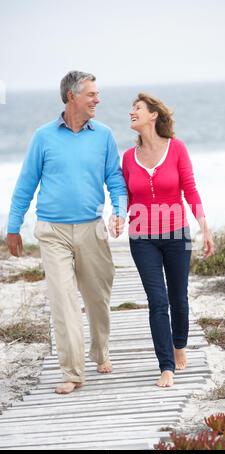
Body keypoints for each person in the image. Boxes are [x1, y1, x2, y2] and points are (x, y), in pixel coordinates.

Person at [6, 71, 127, 394]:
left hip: (92, 228)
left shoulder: (103, 135)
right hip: (51, 231)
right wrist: (13, 227)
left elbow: (115, 179)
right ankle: (73, 372)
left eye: (97, 94)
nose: (97, 100)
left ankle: (100, 351)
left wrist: (119, 209)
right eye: (91, 94)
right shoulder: (43, 137)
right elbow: (25, 185)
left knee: (97, 298)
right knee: (64, 302)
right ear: (72, 96)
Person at [122, 93, 214, 388]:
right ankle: (166, 366)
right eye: (132, 109)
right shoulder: (127, 157)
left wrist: (204, 226)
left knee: (178, 297)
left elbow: (190, 189)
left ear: (152, 115)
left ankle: (180, 344)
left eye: (137, 109)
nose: (131, 113)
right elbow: (126, 195)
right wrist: (117, 216)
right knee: (158, 301)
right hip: (142, 238)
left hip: (177, 235)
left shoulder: (177, 149)